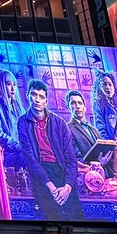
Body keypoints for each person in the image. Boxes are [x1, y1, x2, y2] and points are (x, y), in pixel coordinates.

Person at [16, 79, 83, 219]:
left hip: (61, 170)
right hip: (40, 173)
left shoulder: (59, 123)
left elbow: (71, 158)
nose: (37, 100)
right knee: (52, 217)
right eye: (34, 95)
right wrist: (51, 186)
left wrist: (68, 186)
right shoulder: (23, 122)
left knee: (77, 218)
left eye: (41, 97)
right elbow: (30, 158)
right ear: (28, 95)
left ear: (46, 101)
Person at [0, 69, 24, 188]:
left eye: (14, 84)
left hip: (21, 149)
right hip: (7, 153)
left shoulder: (17, 106)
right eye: (8, 84)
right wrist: (18, 145)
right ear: (1, 85)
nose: (12, 88)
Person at [92, 70, 117, 141]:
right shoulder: (99, 105)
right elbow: (100, 129)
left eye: (110, 84)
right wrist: (109, 144)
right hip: (111, 145)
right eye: (104, 84)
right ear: (98, 87)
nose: (108, 87)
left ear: (114, 88)